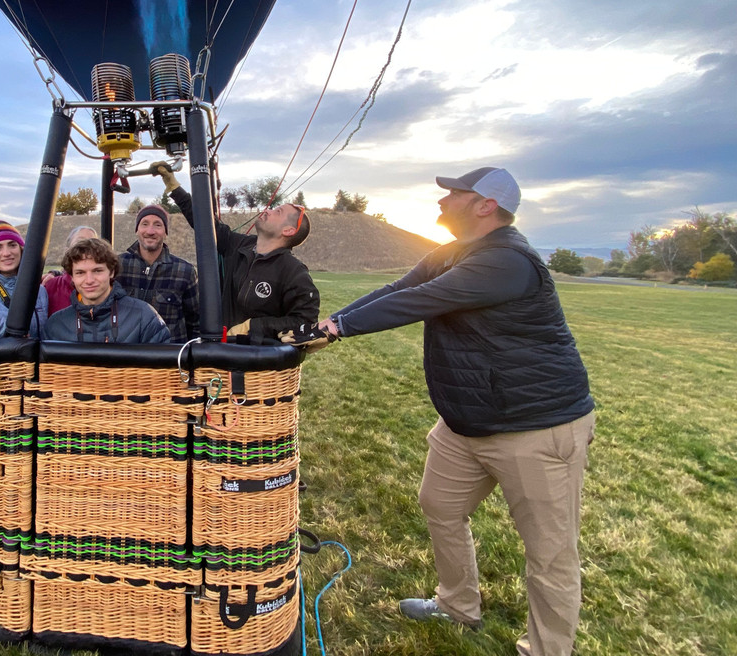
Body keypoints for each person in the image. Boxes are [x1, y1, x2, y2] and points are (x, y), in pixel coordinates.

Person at [317, 167, 595, 656]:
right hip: (467, 421)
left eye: (454, 194)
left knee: (550, 554)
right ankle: (457, 604)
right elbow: (396, 290)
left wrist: (342, 329)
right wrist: (332, 323)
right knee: (440, 507)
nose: (442, 201)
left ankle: (548, 649)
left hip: (534, 425)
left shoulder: (508, 262)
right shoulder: (450, 253)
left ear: (486, 205)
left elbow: (421, 301)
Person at [152, 165, 319, 343]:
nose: (268, 210)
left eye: (278, 212)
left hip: (257, 362)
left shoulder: (293, 272)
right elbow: (205, 224)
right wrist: (174, 187)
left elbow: (305, 322)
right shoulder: (238, 245)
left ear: (288, 230)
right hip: (221, 352)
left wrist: (253, 327)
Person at [45, 237, 172, 344]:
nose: (89, 280)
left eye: (97, 271)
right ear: (72, 277)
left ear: (111, 272)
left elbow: (163, 369)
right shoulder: (56, 325)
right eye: (80, 273)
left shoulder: (144, 317)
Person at [116, 203, 199, 342]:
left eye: (158, 225)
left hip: (170, 357)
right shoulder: (117, 266)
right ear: (137, 230)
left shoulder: (185, 272)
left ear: (166, 232)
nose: (150, 231)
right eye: (144, 224)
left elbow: (196, 323)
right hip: (127, 355)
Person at [44, 225, 97, 315]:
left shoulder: (107, 285)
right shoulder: (50, 286)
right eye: (80, 242)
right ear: (67, 251)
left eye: (92, 242)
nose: (87, 247)